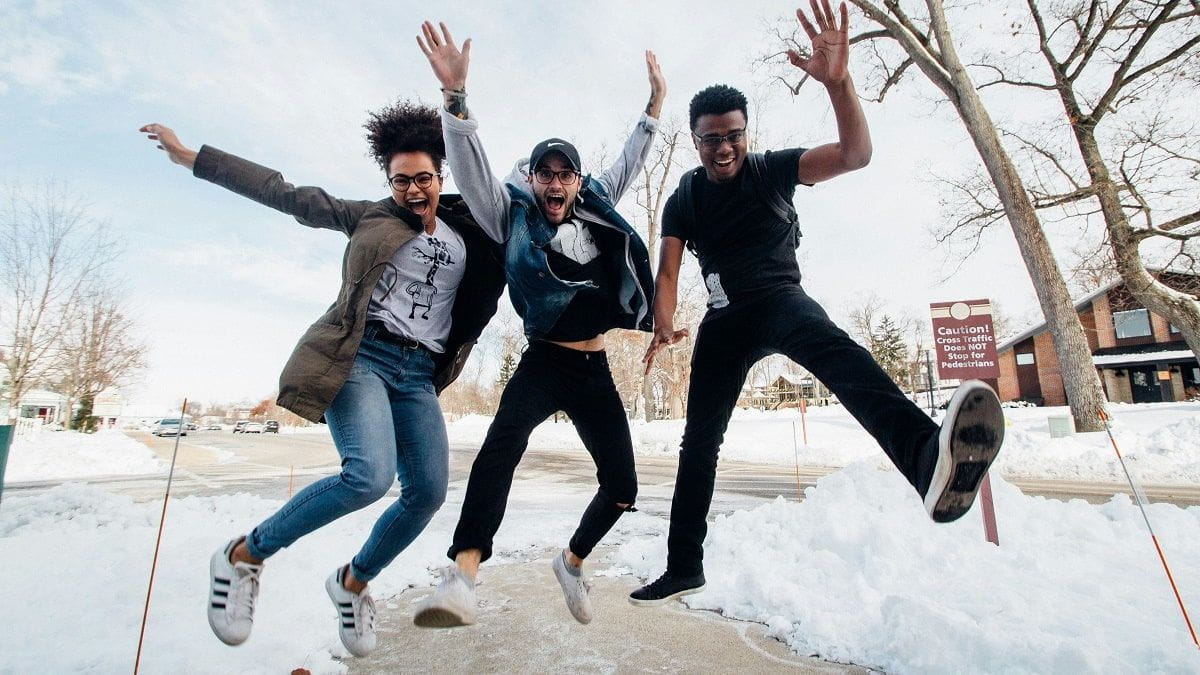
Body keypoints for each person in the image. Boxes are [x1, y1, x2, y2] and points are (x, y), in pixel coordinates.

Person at [631, 0, 1004, 606]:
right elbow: (668, 266)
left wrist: (839, 83)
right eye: (710, 140)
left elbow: (855, 155)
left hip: (780, 300)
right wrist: (664, 324)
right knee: (699, 441)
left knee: (840, 356)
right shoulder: (686, 197)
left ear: (745, 134)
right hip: (725, 321)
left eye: (732, 137)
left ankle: (925, 457)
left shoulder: (773, 170)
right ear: (694, 140)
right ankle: (683, 564)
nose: (722, 149)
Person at [138, 102, 506, 656]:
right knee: (368, 476)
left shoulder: (469, 229)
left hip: (418, 375)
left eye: (423, 178)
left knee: (427, 492)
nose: (412, 190)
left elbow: (514, 214)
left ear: (440, 177)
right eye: (400, 180)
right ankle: (244, 555)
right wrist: (194, 158)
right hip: (359, 358)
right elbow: (283, 192)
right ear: (389, 181)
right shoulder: (368, 217)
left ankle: (352, 583)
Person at [411, 21, 662, 626]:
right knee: (499, 449)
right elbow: (471, 172)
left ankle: (571, 562)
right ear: (533, 180)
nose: (554, 183)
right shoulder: (511, 218)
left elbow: (628, 165)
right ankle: (462, 575)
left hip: (593, 365)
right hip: (544, 360)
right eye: (544, 174)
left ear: (576, 181)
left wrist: (653, 108)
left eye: (564, 174)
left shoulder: (596, 205)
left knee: (623, 486)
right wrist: (456, 102)